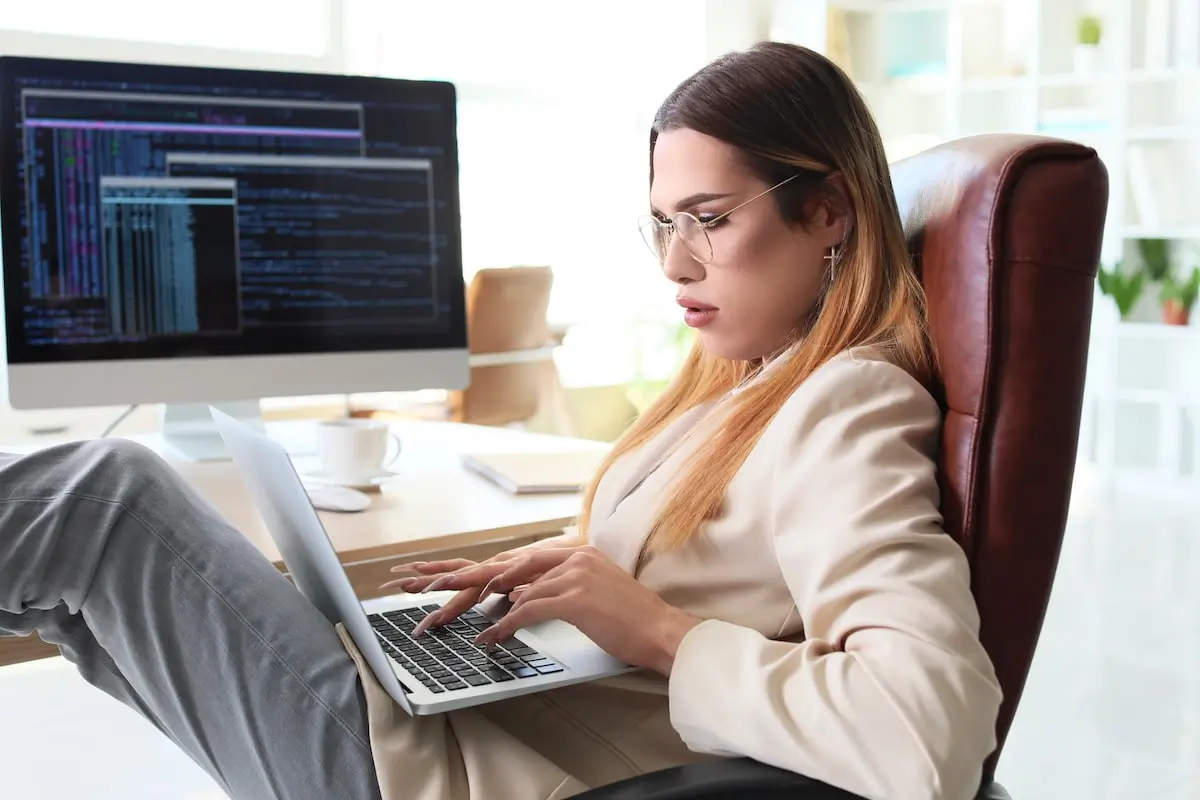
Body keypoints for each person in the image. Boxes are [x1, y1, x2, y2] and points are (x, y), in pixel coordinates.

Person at [0, 41, 1002, 800]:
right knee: (89, 598)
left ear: (829, 211)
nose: (674, 264)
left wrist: (657, 629)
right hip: (471, 719)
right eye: (662, 223)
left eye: (709, 218)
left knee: (99, 499)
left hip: (471, 773)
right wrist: (559, 574)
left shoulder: (846, 400)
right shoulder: (748, 381)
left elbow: (928, 735)